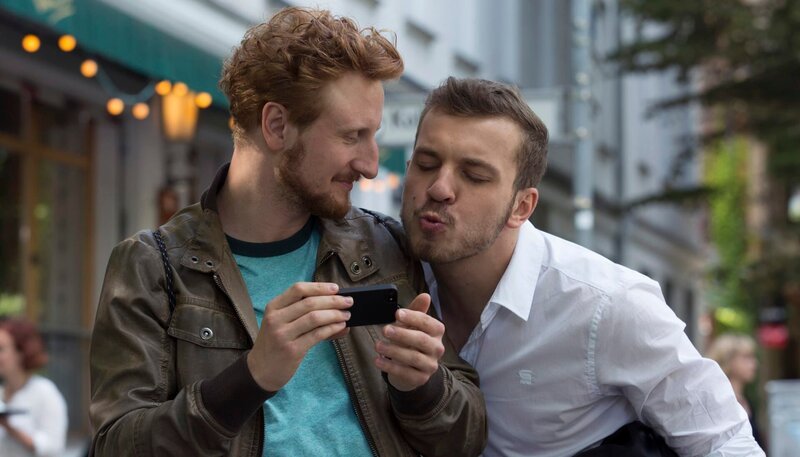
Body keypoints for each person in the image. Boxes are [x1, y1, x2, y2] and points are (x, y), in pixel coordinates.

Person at [89, 7, 486, 457]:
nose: (371, 165)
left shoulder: (384, 246)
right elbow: (116, 447)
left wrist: (422, 389)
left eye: (372, 136)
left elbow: (468, 435)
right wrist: (250, 377)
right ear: (277, 126)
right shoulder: (152, 267)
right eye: (352, 136)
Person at [400, 77, 764, 456]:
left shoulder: (606, 305)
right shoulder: (383, 271)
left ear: (521, 207)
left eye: (474, 176)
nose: (439, 187)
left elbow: (725, 441)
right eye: (426, 164)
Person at [0, 318, 68, 457]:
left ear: (21, 352)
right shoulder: (1, 393)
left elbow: (54, 448)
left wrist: (10, 428)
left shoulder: (45, 392)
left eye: (1, 349)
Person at [707, 333, 764, 448]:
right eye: (746, 357)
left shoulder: (746, 401)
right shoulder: (721, 401)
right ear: (728, 360)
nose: (754, 364)